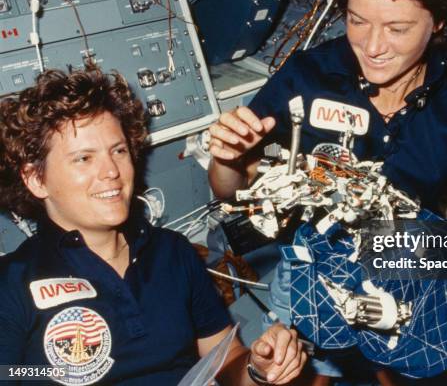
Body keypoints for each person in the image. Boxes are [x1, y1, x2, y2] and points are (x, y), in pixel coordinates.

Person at [207, 0, 447, 383]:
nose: (373, 47)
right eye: (357, 21)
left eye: (397, 29)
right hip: (316, 266)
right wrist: (228, 157)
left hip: (410, 260)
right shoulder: (308, 75)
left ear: (440, 21)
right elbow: (230, 189)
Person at [0, 68, 307, 385]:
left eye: (118, 151)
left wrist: (260, 368)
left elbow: (226, 359)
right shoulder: (11, 284)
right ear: (36, 179)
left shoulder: (171, 251)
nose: (112, 172)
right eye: (84, 158)